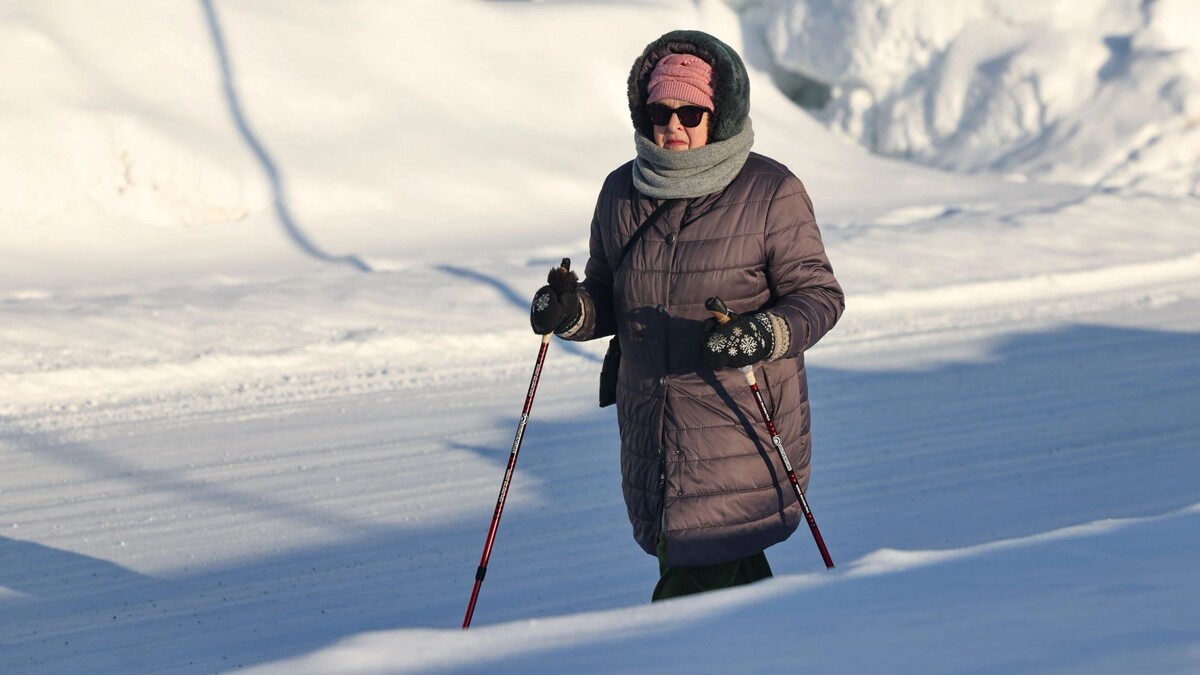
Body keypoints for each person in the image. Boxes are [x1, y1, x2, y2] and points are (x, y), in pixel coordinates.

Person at [529, 30, 844, 601]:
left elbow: (819, 297)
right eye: (659, 111)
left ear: (718, 115)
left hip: (738, 426)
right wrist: (572, 310)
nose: (672, 125)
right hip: (651, 429)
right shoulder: (621, 192)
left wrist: (761, 335)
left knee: (688, 598)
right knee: (730, 590)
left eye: (690, 111)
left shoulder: (770, 191)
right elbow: (608, 295)